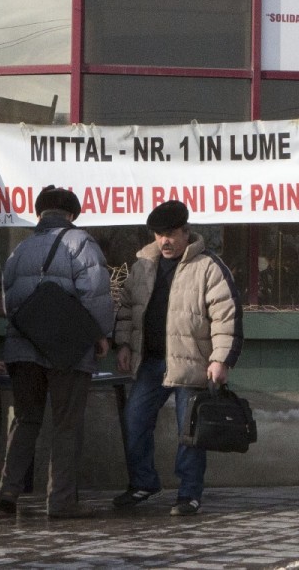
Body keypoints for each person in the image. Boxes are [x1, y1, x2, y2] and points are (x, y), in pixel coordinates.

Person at [112, 200, 243, 516]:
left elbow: (226, 315)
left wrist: (220, 359)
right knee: (134, 420)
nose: (164, 241)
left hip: (193, 362)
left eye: (170, 233)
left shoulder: (209, 267)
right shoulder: (143, 264)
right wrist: (124, 345)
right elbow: (127, 308)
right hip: (151, 361)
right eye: (158, 234)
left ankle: (189, 494)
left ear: (186, 232)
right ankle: (143, 482)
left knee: (190, 432)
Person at [0, 185, 114, 519]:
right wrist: (102, 334)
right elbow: (96, 294)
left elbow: (6, 302)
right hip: (68, 348)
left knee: (25, 420)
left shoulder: (20, 249)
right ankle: (61, 501)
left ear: (39, 214)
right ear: (72, 214)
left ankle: (8, 493)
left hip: (23, 348)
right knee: (66, 425)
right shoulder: (81, 243)